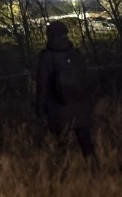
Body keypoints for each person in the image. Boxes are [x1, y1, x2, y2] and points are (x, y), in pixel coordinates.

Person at [36, 21, 98, 170]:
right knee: (86, 142)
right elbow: (87, 80)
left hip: (58, 107)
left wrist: (39, 109)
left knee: (61, 145)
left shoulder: (47, 57)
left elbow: (42, 86)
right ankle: (96, 172)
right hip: (80, 105)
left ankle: (63, 177)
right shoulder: (76, 54)